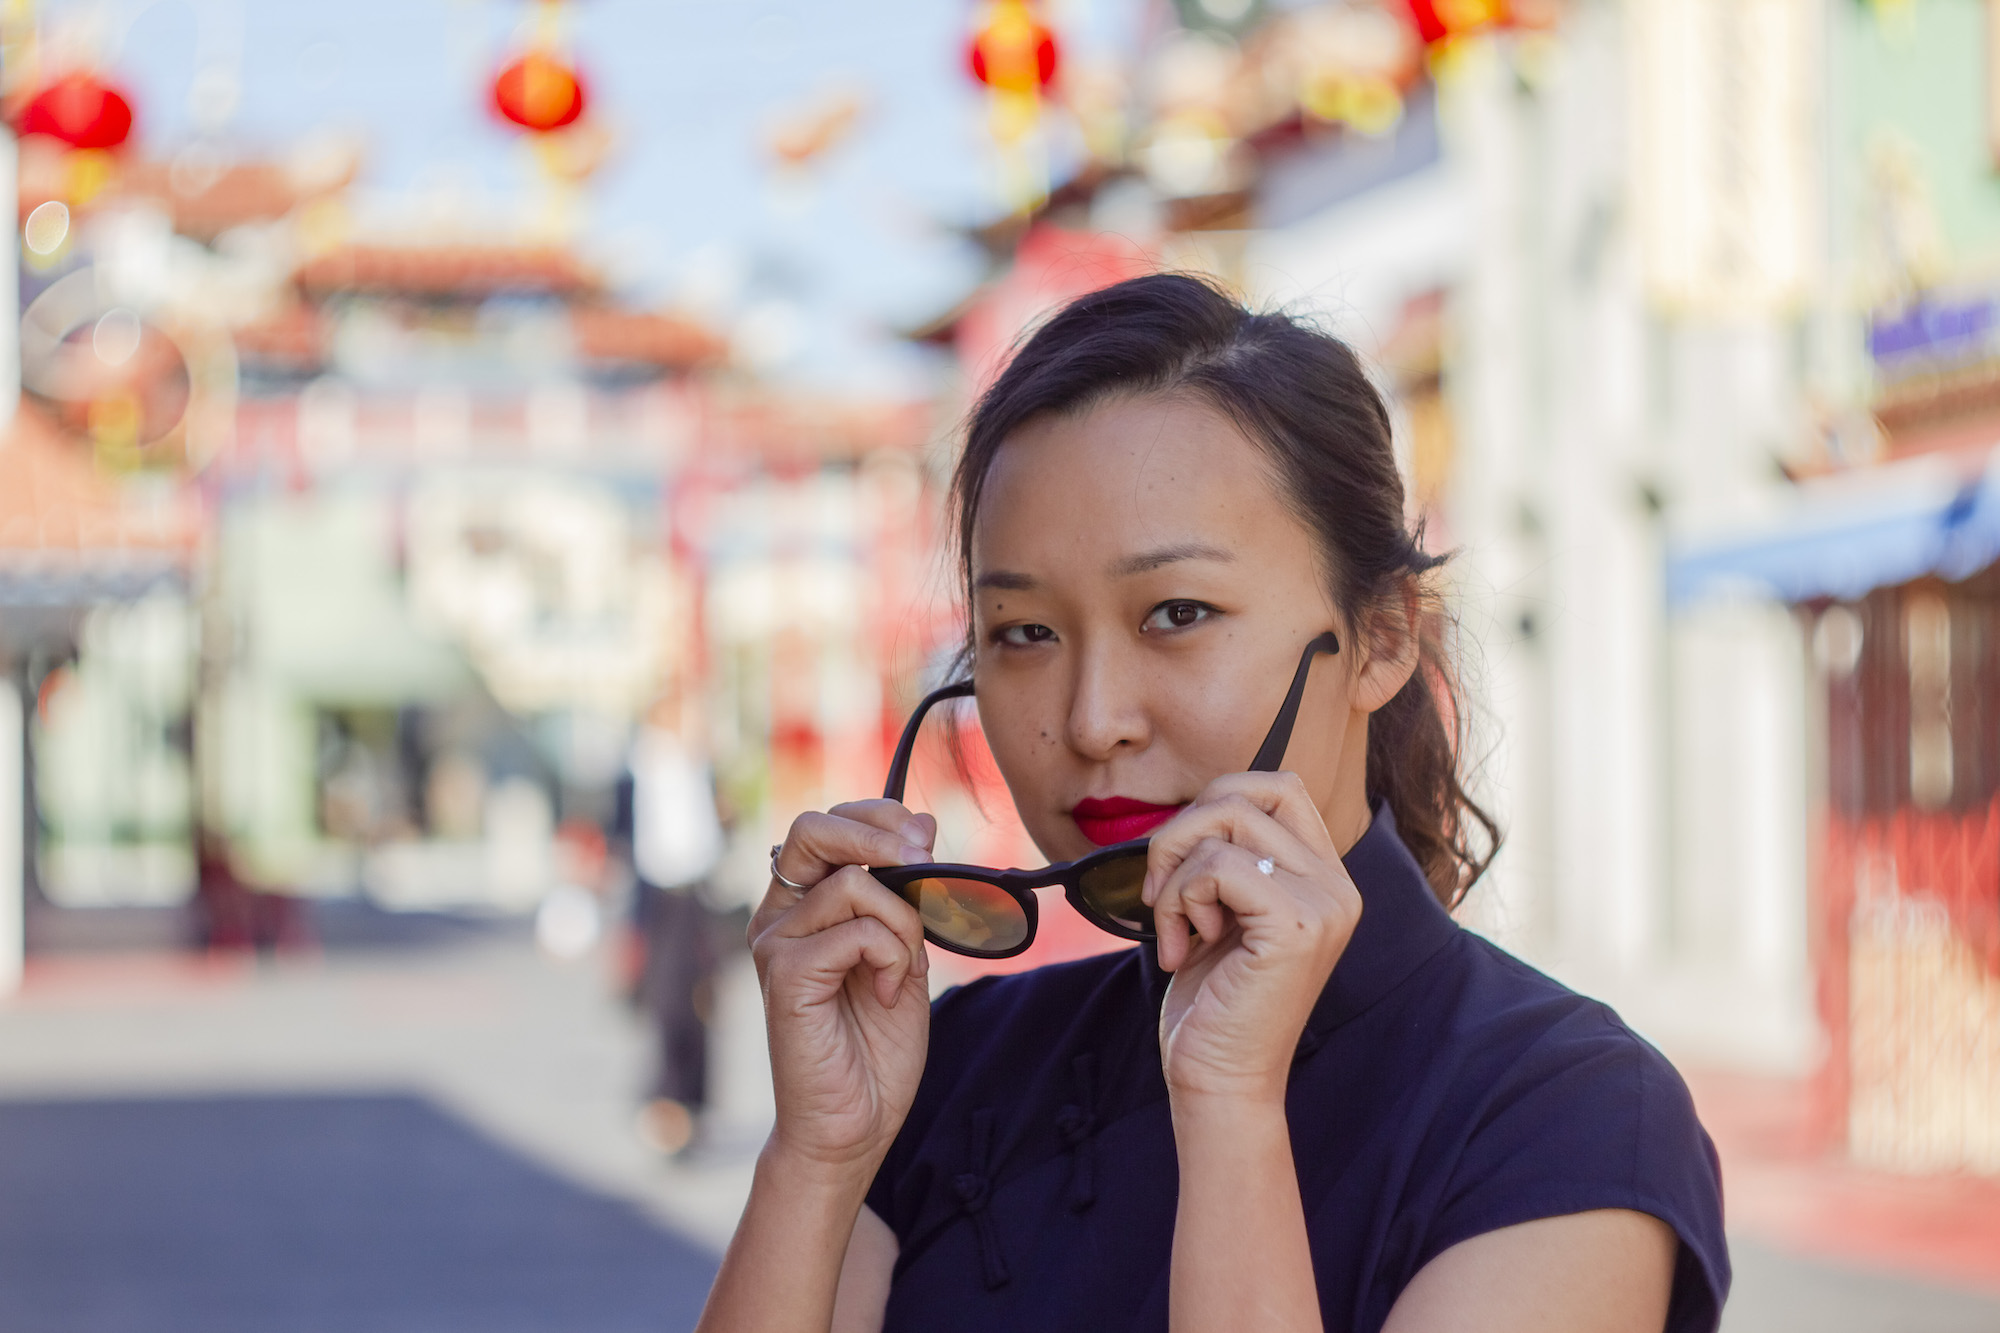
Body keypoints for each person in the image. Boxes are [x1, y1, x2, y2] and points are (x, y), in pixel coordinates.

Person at [699, 274, 1728, 1332]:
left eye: (1176, 612)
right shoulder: (949, 1064)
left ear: (1380, 637)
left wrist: (1231, 1108)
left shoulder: (1567, 1116)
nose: (1094, 719)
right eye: (1023, 633)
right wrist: (816, 1152)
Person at [615, 710, 728, 1156]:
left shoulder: (700, 767)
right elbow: (628, 840)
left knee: (699, 1002)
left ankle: (688, 1105)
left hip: (698, 900)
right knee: (665, 1004)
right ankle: (667, 1101)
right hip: (658, 901)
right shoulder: (640, 770)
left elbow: (713, 837)